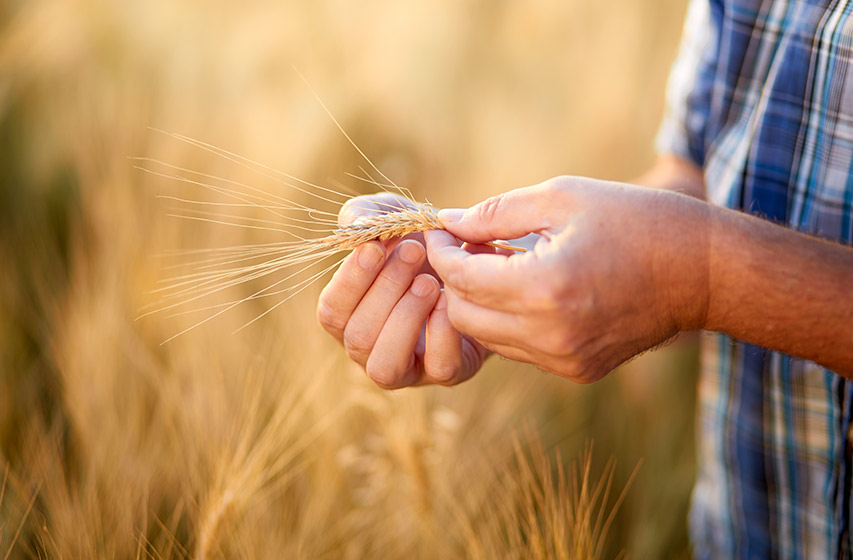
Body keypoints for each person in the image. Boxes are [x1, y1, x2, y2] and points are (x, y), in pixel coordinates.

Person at [316, 0, 853, 557]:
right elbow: (701, 175)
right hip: (744, 533)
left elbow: (699, 254)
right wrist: (515, 271)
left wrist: (704, 277)